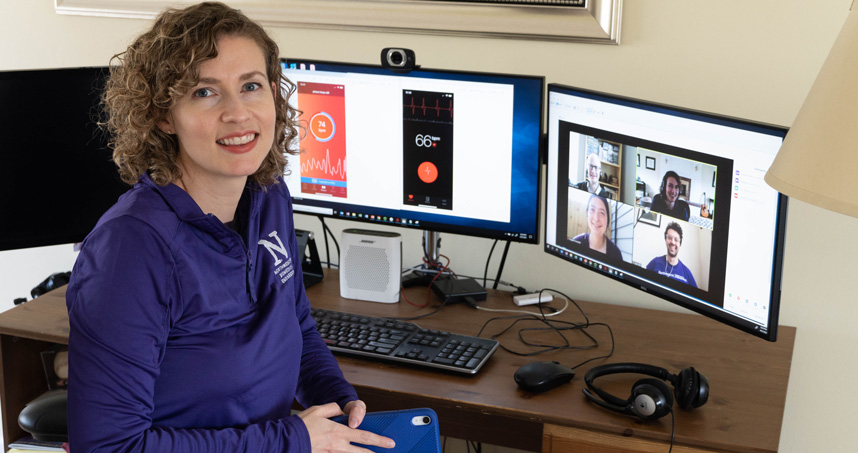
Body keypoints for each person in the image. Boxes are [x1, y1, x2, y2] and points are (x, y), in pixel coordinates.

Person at [65, 3, 394, 452]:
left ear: (274, 94)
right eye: (205, 92)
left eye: (251, 87)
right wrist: (293, 439)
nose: (238, 114)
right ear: (163, 115)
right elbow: (109, 446)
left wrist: (332, 397)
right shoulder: (132, 248)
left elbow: (294, 321)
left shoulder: (267, 190)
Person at [646, 222, 698, 288]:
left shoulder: (687, 273)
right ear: (665, 240)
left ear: (680, 244)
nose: (672, 242)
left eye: (676, 240)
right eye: (670, 238)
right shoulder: (654, 262)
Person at [572, 194, 623, 260]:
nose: (596, 218)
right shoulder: (576, 242)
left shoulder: (616, 253)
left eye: (602, 213)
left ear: (607, 219)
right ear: (587, 213)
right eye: (592, 210)